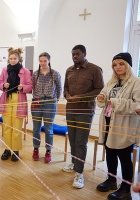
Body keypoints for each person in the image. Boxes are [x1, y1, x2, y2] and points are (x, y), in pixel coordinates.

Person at [96, 53, 140, 200]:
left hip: (124, 125)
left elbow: (137, 105)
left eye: (121, 64)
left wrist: (115, 102)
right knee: (110, 153)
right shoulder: (111, 81)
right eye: (115, 65)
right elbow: (103, 97)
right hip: (109, 122)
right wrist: (101, 98)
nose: (117, 67)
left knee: (124, 156)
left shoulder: (136, 82)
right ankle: (111, 180)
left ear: (127, 65)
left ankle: (126, 189)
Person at [62, 44, 104, 189]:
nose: (75, 56)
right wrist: (67, 94)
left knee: (81, 142)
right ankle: (75, 163)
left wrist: (80, 97)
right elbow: (65, 87)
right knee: (73, 140)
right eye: (73, 54)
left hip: (85, 111)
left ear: (84, 54)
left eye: (77, 54)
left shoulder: (95, 69)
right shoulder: (69, 70)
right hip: (70, 110)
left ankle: (79, 173)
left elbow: (99, 89)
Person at [0, 47, 33, 162]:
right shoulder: (4, 70)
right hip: (7, 100)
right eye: (11, 58)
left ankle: (16, 150)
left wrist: (23, 87)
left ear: (19, 58)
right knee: (7, 127)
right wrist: (3, 85)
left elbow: (30, 86)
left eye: (14, 58)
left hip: (19, 99)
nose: (12, 60)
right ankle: (7, 149)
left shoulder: (25, 71)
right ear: (8, 59)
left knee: (16, 127)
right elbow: (0, 82)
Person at [31, 52, 62, 163]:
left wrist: (55, 101)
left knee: (48, 128)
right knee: (36, 128)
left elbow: (59, 89)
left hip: (50, 102)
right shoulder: (35, 74)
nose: (43, 63)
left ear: (49, 60)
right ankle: (36, 148)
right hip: (36, 102)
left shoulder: (55, 73)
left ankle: (48, 151)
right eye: (41, 61)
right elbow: (33, 88)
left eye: (45, 61)